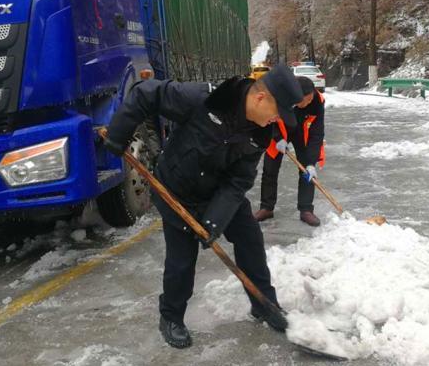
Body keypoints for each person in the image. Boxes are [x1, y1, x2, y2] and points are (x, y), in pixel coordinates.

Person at [103, 64, 303, 349]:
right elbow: (146, 93)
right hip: (176, 190)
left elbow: (238, 181)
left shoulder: (259, 134)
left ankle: (264, 304)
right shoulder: (204, 99)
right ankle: (171, 317)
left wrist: (214, 222)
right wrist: (118, 135)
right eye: (276, 112)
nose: (276, 120)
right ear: (260, 98)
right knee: (182, 261)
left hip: (218, 191)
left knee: (250, 240)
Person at [254, 76, 325, 227]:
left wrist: (312, 163)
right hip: (279, 131)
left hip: (302, 134)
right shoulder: (277, 96)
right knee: (270, 168)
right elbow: (265, 116)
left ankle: (306, 209)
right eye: (302, 101)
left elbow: (317, 133)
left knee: (306, 171)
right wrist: (277, 137)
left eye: (309, 99)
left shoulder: (317, 102)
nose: (306, 104)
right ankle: (266, 207)